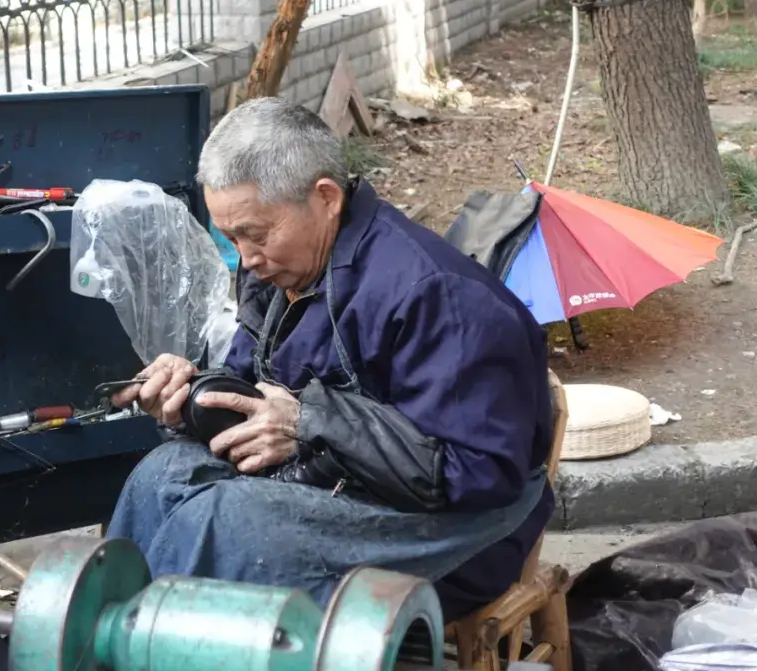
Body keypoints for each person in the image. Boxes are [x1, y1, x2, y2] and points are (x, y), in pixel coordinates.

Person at [105, 97, 555, 621]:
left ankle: (159, 659)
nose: (245, 257)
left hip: (462, 531)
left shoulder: (438, 295)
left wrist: (309, 423)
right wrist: (195, 397)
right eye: (230, 238)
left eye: (256, 234)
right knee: (162, 476)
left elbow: (478, 473)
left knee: (221, 522)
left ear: (325, 197)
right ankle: (103, 653)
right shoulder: (277, 268)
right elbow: (249, 386)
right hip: (329, 485)